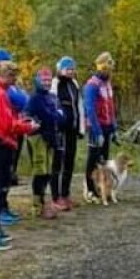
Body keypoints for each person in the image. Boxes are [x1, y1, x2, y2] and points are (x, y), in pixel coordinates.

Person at [0, 56, 37, 252]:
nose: (14, 83)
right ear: (6, 76)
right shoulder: (0, 95)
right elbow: (8, 125)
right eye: (13, 79)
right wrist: (29, 127)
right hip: (0, 143)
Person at [25, 67, 65, 219]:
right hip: (37, 137)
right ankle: (37, 206)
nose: (47, 83)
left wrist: (55, 115)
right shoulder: (34, 98)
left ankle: (42, 203)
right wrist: (55, 115)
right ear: (37, 80)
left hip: (50, 137)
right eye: (44, 80)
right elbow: (48, 116)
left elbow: (62, 117)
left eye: (49, 80)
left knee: (48, 171)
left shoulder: (52, 97)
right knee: (40, 171)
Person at [83, 51, 117, 201]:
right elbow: (90, 109)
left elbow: (111, 106)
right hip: (96, 127)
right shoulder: (92, 85)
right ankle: (89, 190)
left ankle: (101, 188)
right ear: (102, 67)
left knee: (103, 159)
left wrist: (114, 128)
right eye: (108, 67)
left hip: (107, 125)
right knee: (93, 158)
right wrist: (97, 132)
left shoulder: (107, 84)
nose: (110, 71)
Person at [52, 56, 84, 209]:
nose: (71, 71)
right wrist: (56, 125)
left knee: (70, 162)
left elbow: (79, 107)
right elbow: (52, 105)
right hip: (60, 129)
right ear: (60, 69)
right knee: (59, 163)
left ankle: (66, 194)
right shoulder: (56, 83)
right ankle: (56, 197)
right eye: (67, 69)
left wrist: (81, 128)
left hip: (72, 128)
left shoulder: (74, 84)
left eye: (72, 69)